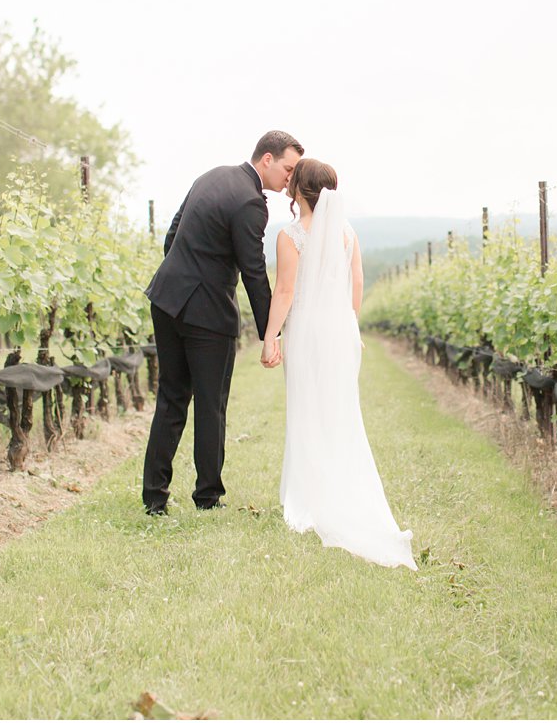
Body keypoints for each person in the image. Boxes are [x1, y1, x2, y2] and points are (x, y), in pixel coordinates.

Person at [260, 158, 417, 569]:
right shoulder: (347, 233)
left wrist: (270, 336)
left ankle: (308, 499)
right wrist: (352, 327)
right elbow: (358, 282)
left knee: (307, 408)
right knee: (340, 411)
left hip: (308, 332)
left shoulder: (290, 236)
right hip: (341, 332)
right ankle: (336, 491)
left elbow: (285, 292)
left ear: (299, 191)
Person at [141, 131, 303, 514]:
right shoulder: (251, 201)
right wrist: (271, 331)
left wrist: (187, 274)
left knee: (171, 398)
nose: (289, 179)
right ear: (267, 159)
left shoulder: (211, 175)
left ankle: (154, 497)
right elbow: (253, 272)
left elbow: (171, 236)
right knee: (211, 404)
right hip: (207, 313)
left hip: (166, 298)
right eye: (288, 168)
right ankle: (208, 497)